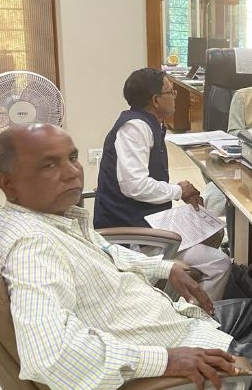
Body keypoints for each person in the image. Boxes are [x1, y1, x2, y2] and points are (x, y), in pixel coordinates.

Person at [0, 124, 252, 390]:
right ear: (8, 183)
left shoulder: (53, 217)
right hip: (158, 343)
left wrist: (166, 267)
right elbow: (51, 356)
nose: (72, 172)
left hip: (158, 319)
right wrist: (166, 360)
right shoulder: (32, 247)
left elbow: (107, 251)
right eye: (49, 165)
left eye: (72, 157)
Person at [93, 68, 230, 301]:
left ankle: (178, 295)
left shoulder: (148, 124)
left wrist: (180, 190)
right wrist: (178, 190)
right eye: (171, 92)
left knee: (213, 228)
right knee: (220, 263)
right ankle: (194, 317)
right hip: (133, 234)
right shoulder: (136, 128)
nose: (175, 96)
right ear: (155, 100)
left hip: (146, 219)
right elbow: (134, 185)